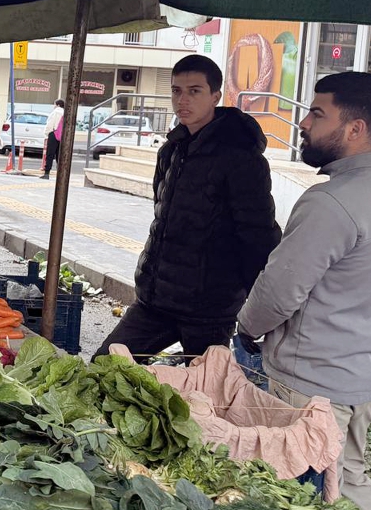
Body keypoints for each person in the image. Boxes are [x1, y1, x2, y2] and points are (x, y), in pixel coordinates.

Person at [236, 73, 371, 510]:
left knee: (300, 497)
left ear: (355, 129)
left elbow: (279, 292)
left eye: (318, 114)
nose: (304, 123)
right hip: (366, 375)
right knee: (348, 476)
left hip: (312, 380)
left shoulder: (332, 202)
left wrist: (246, 329)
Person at [95, 54, 280, 361]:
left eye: (194, 91)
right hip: (155, 302)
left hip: (208, 312)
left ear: (216, 96)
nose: (183, 100)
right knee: (104, 366)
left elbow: (258, 237)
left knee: (203, 395)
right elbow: (163, 217)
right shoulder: (172, 150)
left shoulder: (241, 159)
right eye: (176, 91)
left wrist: (257, 306)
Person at [40, 99, 66, 178]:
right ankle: (61, 174)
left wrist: (47, 133)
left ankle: (47, 173)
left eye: (54, 104)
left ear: (58, 105)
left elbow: (50, 124)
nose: (53, 106)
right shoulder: (65, 112)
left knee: (50, 154)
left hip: (54, 133)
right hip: (62, 136)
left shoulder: (56, 112)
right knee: (60, 155)